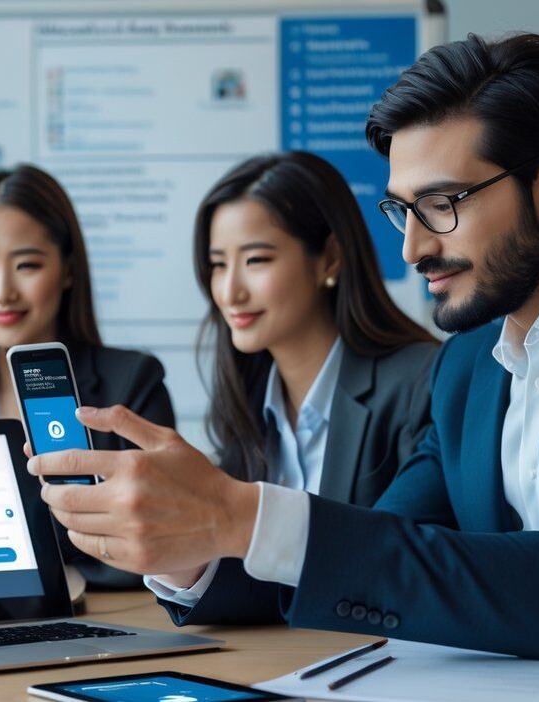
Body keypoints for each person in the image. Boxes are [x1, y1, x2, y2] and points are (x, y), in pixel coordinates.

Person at [29, 32, 539, 660]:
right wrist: (193, 544)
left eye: (441, 204)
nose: (412, 250)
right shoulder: (466, 366)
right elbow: (376, 550)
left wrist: (241, 514)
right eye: (403, 211)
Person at [145, 151, 438, 623]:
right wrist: (182, 556)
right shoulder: (246, 401)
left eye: (256, 259)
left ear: (330, 258)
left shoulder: (421, 383)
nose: (230, 291)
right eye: (218, 264)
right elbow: (268, 588)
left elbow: (400, 567)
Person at [0, 164, 175, 588]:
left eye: (26, 265)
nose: (1, 291)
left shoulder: (131, 382)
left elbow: (156, 537)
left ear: (68, 270)